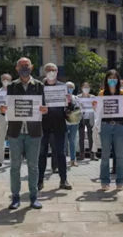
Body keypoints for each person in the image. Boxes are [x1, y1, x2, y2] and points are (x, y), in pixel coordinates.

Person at [1, 57, 47, 209]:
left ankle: (33, 197)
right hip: (16, 131)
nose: (24, 68)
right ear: (16, 68)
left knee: (33, 166)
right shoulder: (12, 86)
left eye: (26, 65)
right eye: (21, 66)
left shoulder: (39, 85)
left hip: (34, 132)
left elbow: (44, 106)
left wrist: (44, 110)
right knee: (15, 166)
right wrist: (4, 110)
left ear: (32, 67)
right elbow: (8, 107)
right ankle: (15, 197)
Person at [38, 63, 74, 191]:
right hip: (43, 126)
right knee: (41, 154)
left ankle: (63, 180)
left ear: (57, 72)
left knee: (61, 154)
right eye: (48, 70)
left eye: (53, 70)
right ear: (44, 72)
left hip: (59, 125)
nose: (51, 72)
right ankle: (40, 180)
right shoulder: (39, 88)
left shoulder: (63, 87)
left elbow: (69, 109)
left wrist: (69, 103)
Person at [93, 70, 123, 191]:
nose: (112, 80)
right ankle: (104, 181)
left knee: (120, 155)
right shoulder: (102, 94)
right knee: (105, 155)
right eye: (110, 77)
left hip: (119, 125)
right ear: (106, 80)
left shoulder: (122, 93)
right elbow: (98, 112)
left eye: (114, 77)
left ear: (118, 80)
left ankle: (120, 181)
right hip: (106, 126)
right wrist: (95, 107)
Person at [0, 73, 12, 168]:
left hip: (12, 116)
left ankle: (13, 160)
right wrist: (0, 108)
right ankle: (0, 161)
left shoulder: (14, 90)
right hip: (1, 116)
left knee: (13, 138)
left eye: (7, 79)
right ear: (1, 80)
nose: (6, 80)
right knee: (1, 139)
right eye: (4, 79)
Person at [77, 82, 97, 161]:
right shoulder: (78, 97)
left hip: (90, 118)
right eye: (84, 87)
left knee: (91, 137)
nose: (86, 89)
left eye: (87, 87)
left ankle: (92, 154)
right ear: (81, 88)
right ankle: (82, 154)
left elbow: (96, 107)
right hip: (81, 118)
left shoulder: (93, 97)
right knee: (81, 137)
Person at [65, 81, 80, 167]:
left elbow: (79, 108)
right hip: (65, 122)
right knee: (64, 141)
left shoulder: (76, 98)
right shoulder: (62, 97)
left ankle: (73, 160)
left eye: (71, 87)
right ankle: (63, 159)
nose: (69, 89)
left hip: (74, 122)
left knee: (72, 141)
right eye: (68, 87)